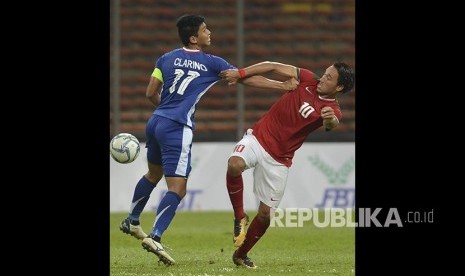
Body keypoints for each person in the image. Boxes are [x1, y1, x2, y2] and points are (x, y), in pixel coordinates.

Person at [118, 15, 297, 266]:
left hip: (156, 122)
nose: (209, 32)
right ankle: (156, 236)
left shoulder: (165, 58)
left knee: (152, 175)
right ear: (194, 38)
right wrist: (283, 87)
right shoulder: (212, 63)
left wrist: (167, 112)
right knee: (177, 189)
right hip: (177, 128)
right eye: (205, 29)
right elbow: (242, 77)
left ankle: (132, 219)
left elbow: (150, 93)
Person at [219, 61, 354, 268]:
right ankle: (239, 216)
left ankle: (240, 254)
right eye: (325, 73)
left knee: (265, 216)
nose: (322, 78)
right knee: (234, 164)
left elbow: (332, 123)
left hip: (279, 160)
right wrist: (240, 73)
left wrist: (329, 120)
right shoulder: (307, 79)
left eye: (329, 78)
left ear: (339, 88)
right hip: (258, 138)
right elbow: (271, 66)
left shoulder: (332, 109)